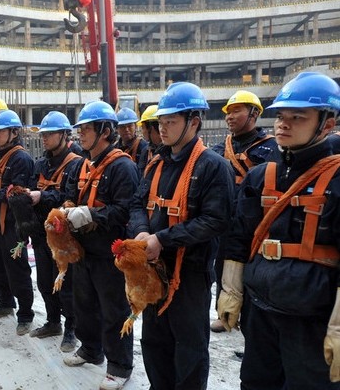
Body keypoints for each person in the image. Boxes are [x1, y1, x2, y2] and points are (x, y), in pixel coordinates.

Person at [218, 72, 340, 389]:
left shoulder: (336, 181)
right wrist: (231, 291)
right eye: (282, 116)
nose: (283, 124)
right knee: (256, 382)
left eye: (297, 117)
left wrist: (338, 329)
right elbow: (239, 237)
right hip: (260, 310)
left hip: (311, 317)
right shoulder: (261, 177)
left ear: (327, 124)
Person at [129, 82, 234, 389]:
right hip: (154, 270)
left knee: (189, 348)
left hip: (189, 275)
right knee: (154, 341)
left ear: (194, 122)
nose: (162, 128)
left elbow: (215, 221)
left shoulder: (213, 167)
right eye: (160, 122)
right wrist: (142, 231)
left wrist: (162, 239)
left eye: (171, 121)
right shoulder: (157, 164)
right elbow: (137, 204)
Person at [61, 101, 138, 390]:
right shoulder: (82, 164)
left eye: (86, 129)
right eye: (79, 129)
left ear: (105, 131)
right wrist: (67, 209)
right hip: (84, 251)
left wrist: (91, 215)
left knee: (114, 310)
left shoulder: (122, 167)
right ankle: (91, 349)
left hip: (110, 254)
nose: (80, 134)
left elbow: (125, 210)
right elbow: (70, 194)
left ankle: (119, 365)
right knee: (85, 305)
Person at [208, 90, 277, 333]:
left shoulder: (271, 148)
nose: (230, 116)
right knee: (223, 264)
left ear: (254, 113)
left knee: (252, 269)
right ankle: (224, 312)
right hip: (227, 219)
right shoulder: (219, 148)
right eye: (228, 112)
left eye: (236, 111)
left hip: (256, 220)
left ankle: (250, 314)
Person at [27, 111, 81, 352]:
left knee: (65, 285)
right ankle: (52, 322)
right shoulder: (41, 164)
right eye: (44, 134)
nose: (45, 138)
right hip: (42, 234)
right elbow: (31, 189)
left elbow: (70, 197)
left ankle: (71, 329)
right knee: (45, 282)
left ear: (64, 134)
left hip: (62, 237)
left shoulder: (76, 163)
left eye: (50, 134)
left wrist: (43, 196)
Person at [0, 109, 35, 336]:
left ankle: (25, 314)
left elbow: (18, 194)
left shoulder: (22, 159)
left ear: (14, 132)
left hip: (13, 224)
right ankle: (5, 302)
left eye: (2, 131)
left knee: (17, 268)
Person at [136, 105, 160, 177]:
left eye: (143, 127)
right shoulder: (146, 151)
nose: (142, 131)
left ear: (151, 128)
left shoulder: (170, 153)